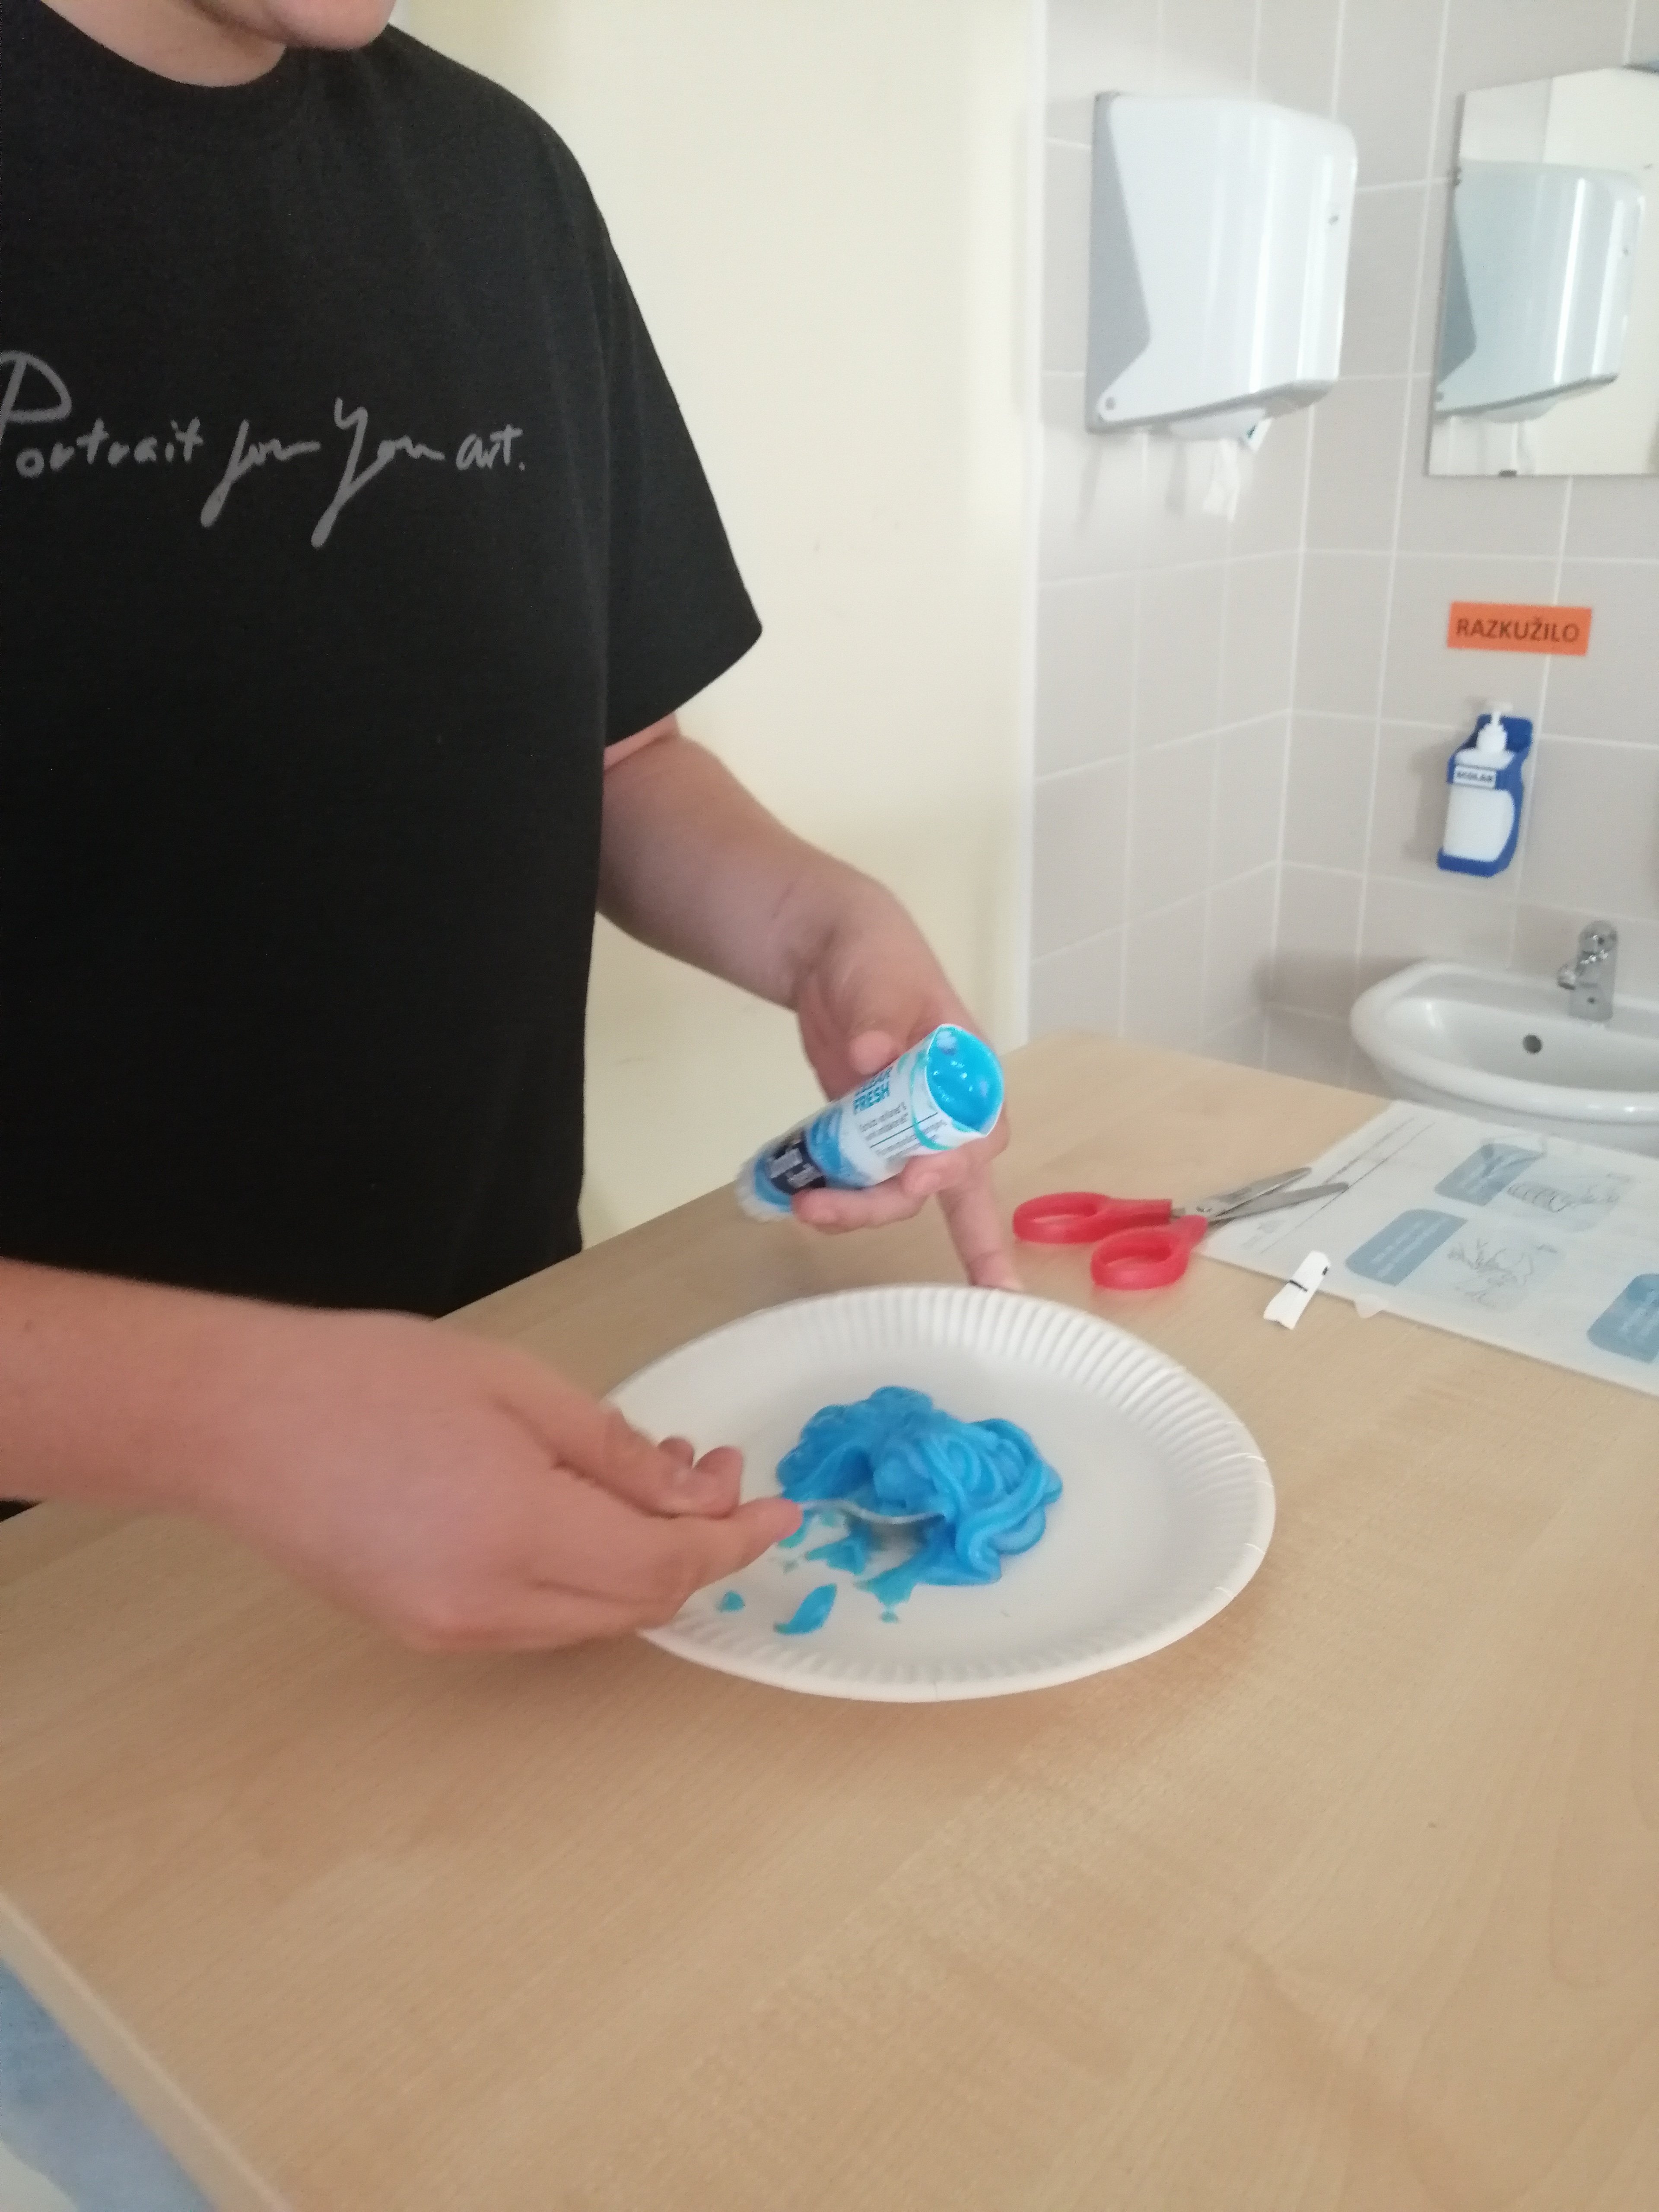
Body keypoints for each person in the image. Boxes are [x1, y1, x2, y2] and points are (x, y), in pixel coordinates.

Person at [0, 0, 1015, 1651]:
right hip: (59, 1602)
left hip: (501, 1444)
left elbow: (609, 757)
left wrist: (821, 927)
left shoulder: (499, 185)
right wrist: (246, 1420)